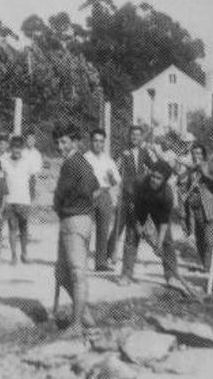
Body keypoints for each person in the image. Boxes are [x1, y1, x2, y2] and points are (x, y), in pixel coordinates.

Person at [52, 123, 100, 335]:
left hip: (74, 221)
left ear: (74, 142)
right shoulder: (80, 162)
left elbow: (61, 195)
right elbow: (96, 189)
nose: (60, 146)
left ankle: (77, 324)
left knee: (77, 273)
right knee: (61, 273)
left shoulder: (73, 163)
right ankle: (85, 314)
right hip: (75, 220)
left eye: (64, 141)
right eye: (58, 142)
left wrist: (78, 207)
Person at [118, 160, 180, 287]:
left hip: (158, 209)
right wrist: (138, 225)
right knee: (131, 238)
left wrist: (159, 242)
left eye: (158, 178)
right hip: (138, 207)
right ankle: (126, 275)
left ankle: (171, 276)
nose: (154, 180)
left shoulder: (167, 194)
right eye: (153, 176)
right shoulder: (139, 183)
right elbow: (132, 207)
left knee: (167, 241)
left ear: (165, 180)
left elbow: (164, 221)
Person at [107, 125, 157, 265]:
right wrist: (120, 161)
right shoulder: (123, 151)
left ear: (141, 137)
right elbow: (114, 169)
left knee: (136, 224)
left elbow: (154, 167)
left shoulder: (144, 152)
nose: (135, 137)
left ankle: (132, 253)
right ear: (129, 136)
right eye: (133, 135)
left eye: (138, 135)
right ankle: (111, 251)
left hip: (139, 194)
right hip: (125, 193)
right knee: (119, 223)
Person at [84, 128, 121, 271]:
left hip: (105, 195)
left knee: (103, 229)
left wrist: (111, 177)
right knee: (86, 229)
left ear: (104, 143)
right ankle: (82, 262)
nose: (98, 144)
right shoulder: (85, 158)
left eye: (101, 141)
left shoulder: (108, 160)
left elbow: (115, 181)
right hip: (89, 194)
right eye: (95, 141)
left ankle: (100, 263)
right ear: (90, 142)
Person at [178, 143, 213, 271]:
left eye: (199, 153)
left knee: (209, 240)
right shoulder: (191, 171)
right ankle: (204, 265)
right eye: (194, 153)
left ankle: (209, 267)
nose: (196, 156)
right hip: (195, 207)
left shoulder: (209, 166)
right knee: (199, 238)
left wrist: (203, 171)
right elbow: (182, 182)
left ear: (204, 155)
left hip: (209, 206)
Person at [3, 136, 38, 264]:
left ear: (22, 149)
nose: (16, 150)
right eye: (14, 148)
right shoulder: (4, 161)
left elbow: (32, 180)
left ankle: (24, 254)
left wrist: (31, 197)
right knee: (12, 228)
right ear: (11, 148)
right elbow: (3, 181)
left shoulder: (27, 161)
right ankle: (13, 256)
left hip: (24, 200)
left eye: (19, 148)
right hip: (10, 200)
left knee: (24, 228)